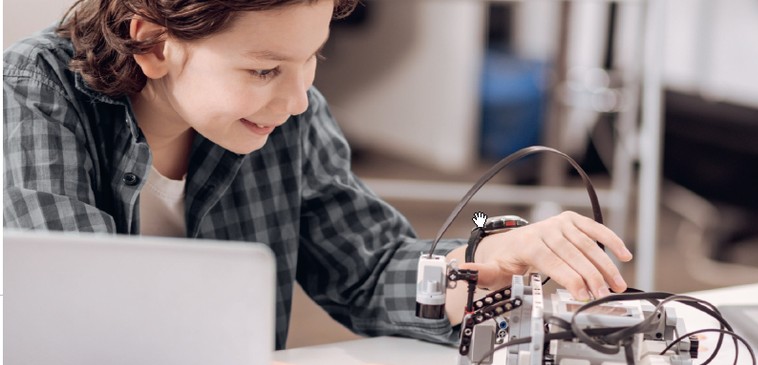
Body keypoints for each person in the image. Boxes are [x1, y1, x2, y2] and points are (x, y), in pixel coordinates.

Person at [3, 0, 633, 350]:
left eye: (311, 60)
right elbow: (77, 319)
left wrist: (487, 263)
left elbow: (367, 268)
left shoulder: (285, 117)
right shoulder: (33, 91)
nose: (299, 100)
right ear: (151, 43)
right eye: (263, 70)